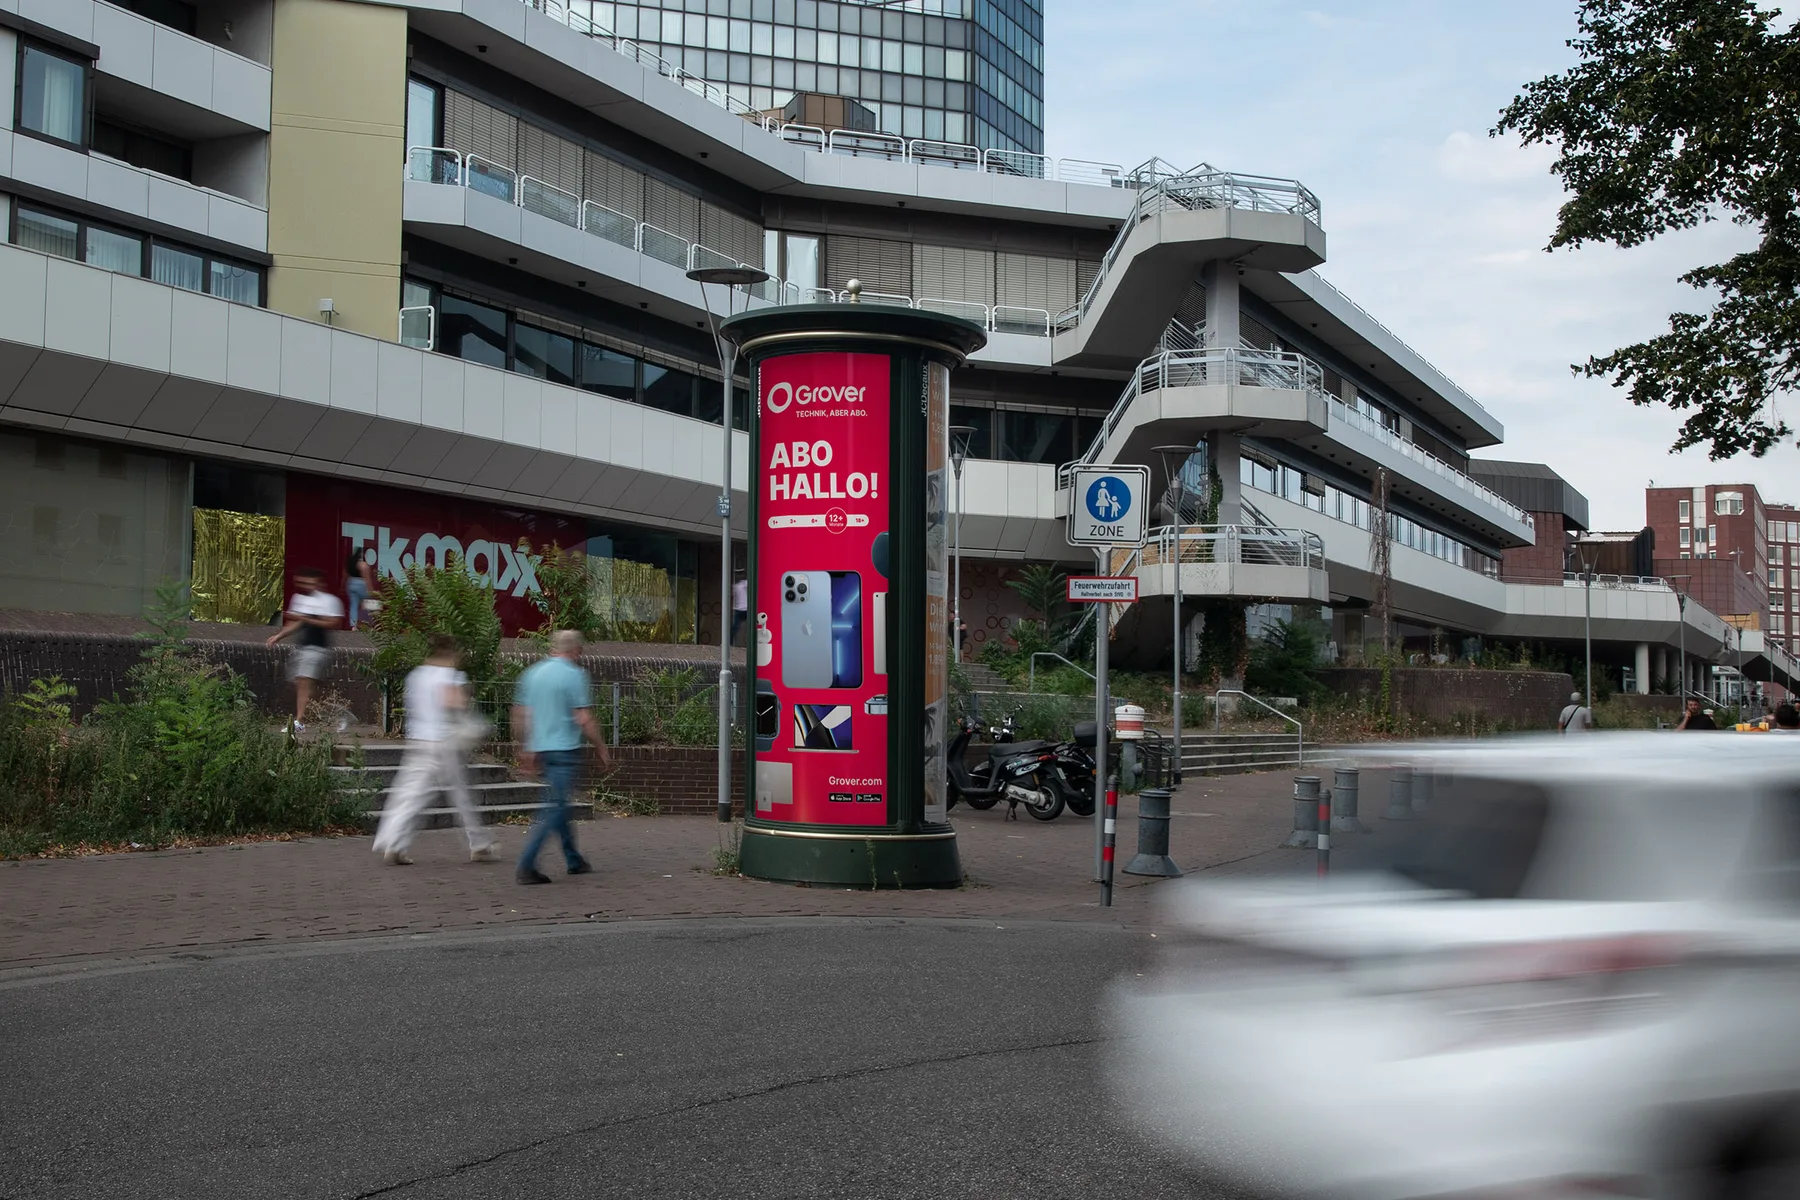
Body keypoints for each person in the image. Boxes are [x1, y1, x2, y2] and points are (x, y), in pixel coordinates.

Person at [371, 635, 501, 866]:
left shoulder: (417, 675)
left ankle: (395, 843)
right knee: (461, 795)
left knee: (410, 794)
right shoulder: (451, 676)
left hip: (419, 739)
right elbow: (454, 704)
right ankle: (479, 844)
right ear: (450, 652)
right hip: (445, 741)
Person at [512, 630, 610, 885]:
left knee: (559, 803)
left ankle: (574, 858)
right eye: (580, 650)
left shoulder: (532, 673)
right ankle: (527, 864)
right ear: (575, 650)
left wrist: (526, 748)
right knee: (555, 807)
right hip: (565, 750)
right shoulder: (574, 675)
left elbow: (522, 713)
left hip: (542, 749)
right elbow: (584, 718)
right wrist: (600, 746)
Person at [266, 566, 343, 734]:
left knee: (304, 681)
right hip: (301, 648)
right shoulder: (300, 599)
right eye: (303, 583)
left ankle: (299, 721)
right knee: (302, 684)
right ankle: (334, 712)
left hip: (318, 648)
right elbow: (296, 623)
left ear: (318, 583)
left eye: (309, 582)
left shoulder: (329, 601)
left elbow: (333, 623)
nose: (306, 586)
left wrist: (308, 618)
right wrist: (279, 636)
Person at [346, 548, 379, 630]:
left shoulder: (350, 563)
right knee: (370, 604)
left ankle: (354, 626)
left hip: (351, 583)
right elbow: (367, 578)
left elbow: (345, 576)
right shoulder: (363, 564)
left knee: (354, 605)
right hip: (361, 584)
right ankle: (369, 624)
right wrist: (371, 590)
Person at [730, 571, 749, 647]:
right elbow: (733, 596)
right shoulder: (735, 586)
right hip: (738, 609)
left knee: (750, 627)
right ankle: (730, 643)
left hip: (746, 608)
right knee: (735, 627)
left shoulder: (745, 583)